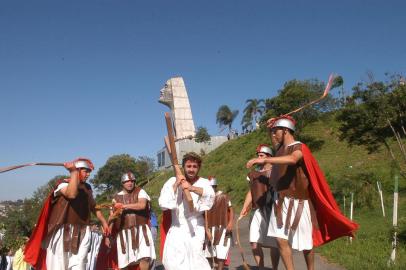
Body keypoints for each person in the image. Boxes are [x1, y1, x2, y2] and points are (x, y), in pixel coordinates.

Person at [246, 116, 359, 270]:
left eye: (276, 131)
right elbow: (274, 140)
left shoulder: (299, 147)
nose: (274, 134)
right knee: (280, 240)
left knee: (307, 244)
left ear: (285, 131)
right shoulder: (279, 150)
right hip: (281, 202)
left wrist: (265, 161)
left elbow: (293, 159)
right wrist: (270, 126)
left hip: (299, 202)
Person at [24, 158, 110, 270]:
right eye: (85, 171)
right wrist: (73, 172)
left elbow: (93, 206)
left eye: (89, 172)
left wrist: (104, 222)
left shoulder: (87, 188)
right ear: (77, 170)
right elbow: (71, 194)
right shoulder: (62, 184)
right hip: (61, 232)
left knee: (80, 266)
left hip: (83, 232)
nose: (88, 174)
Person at [158, 152, 215, 270]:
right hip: (177, 226)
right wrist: (177, 184)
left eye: (195, 167)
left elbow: (210, 196)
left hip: (196, 226)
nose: (191, 169)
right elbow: (163, 202)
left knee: (196, 259)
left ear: (198, 168)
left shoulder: (204, 182)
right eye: (189, 166)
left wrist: (191, 188)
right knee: (173, 262)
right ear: (183, 167)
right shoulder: (172, 180)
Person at [240, 144, 280, 270]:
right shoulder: (254, 173)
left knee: (274, 244)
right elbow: (251, 192)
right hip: (257, 210)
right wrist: (244, 208)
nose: (258, 158)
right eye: (258, 155)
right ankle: (260, 268)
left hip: (272, 209)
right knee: (254, 242)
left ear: (269, 157)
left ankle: (274, 268)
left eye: (261, 155)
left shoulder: (276, 170)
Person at [109, 172, 156, 270]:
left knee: (145, 257)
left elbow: (142, 205)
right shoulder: (116, 198)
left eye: (132, 181)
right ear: (122, 183)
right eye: (127, 181)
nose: (130, 183)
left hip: (142, 230)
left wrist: (123, 206)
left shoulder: (141, 192)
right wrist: (108, 235)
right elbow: (112, 218)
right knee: (128, 262)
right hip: (124, 233)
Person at [204, 176, 233, 270]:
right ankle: (213, 267)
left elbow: (231, 209)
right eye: (210, 187)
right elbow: (205, 215)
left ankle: (220, 269)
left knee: (221, 251)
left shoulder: (223, 196)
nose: (212, 189)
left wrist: (230, 223)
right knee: (209, 252)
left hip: (222, 227)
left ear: (215, 186)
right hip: (210, 228)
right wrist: (206, 229)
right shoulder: (206, 199)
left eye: (213, 187)